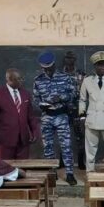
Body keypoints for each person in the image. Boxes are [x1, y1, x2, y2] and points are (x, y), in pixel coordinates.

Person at [33, 51, 77, 186]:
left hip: (61, 115)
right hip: (46, 116)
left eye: (49, 67)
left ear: (54, 65)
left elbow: (74, 94)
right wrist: (42, 104)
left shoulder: (65, 77)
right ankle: (52, 173)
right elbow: (35, 99)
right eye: (44, 68)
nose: (47, 70)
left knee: (66, 146)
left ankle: (70, 174)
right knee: (48, 147)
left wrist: (61, 98)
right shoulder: (38, 80)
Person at [0, 68, 39, 160]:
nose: (22, 81)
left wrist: (35, 132)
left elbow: (31, 116)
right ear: (9, 79)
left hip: (23, 141)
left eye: (22, 78)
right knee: (5, 167)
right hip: (5, 142)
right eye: (19, 79)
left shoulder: (25, 94)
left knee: (23, 167)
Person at [63, 51, 87, 169]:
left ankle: (81, 161)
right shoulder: (59, 74)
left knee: (80, 137)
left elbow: (86, 92)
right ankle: (63, 161)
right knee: (63, 137)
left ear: (75, 59)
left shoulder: (82, 74)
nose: (69, 60)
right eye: (67, 58)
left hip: (78, 110)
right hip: (63, 110)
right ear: (65, 59)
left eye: (72, 58)